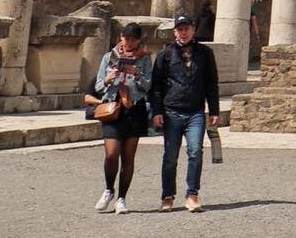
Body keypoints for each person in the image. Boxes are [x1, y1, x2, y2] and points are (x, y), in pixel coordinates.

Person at [147, 13, 218, 213]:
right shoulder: (166, 54)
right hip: (171, 111)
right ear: (175, 32)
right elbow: (157, 87)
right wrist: (157, 111)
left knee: (195, 151)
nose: (183, 32)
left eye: (187, 28)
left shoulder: (205, 53)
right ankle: (167, 196)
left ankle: (192, 195)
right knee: (170, 156)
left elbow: (212, 83)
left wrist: (214, 110)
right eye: (180, 29)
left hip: (195, 111)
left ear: (193, 30)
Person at [87, 24, 153, 214]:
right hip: (112, 107)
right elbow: (98, 86)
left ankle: (122, 198)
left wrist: (137, 74)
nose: (129, 42)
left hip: (134, 108)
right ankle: (108, 189)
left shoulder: (145, 59)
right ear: (121, 37)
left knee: (128, 157)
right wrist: (108, 78)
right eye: (126, 38)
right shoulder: (109, 57)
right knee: (112, 153)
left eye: (133, 39)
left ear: (139, 40)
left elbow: (148, 86)